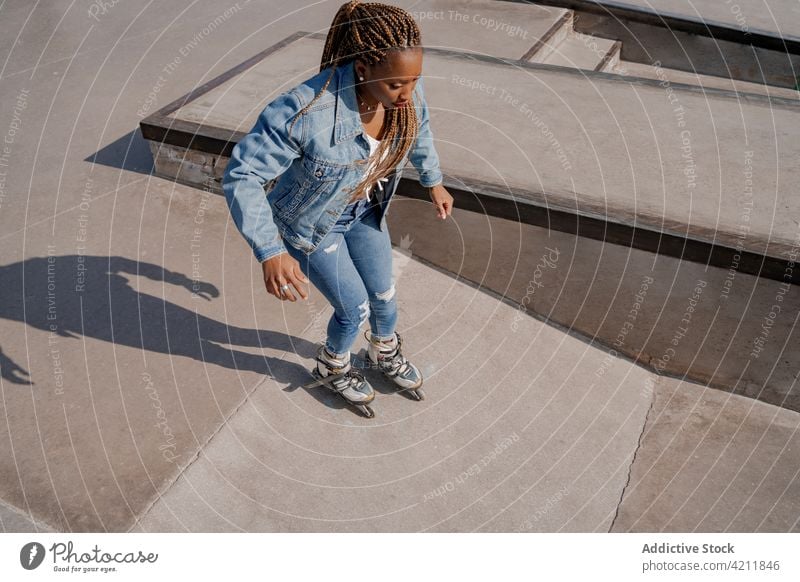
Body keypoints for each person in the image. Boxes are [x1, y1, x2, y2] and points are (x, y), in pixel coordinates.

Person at [222, 0, 454, 415]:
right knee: (354, 307)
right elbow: (242, 176)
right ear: (364, 68)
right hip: (312, 225)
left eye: (415, 80)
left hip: (365, 211)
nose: (408, 94)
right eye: (397, 85)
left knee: (384, 293)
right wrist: (271, 251)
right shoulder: (303, 110)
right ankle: (332, 364)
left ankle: (383, 352)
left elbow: (421, 131)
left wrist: (433, 181)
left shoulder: (403, 92)